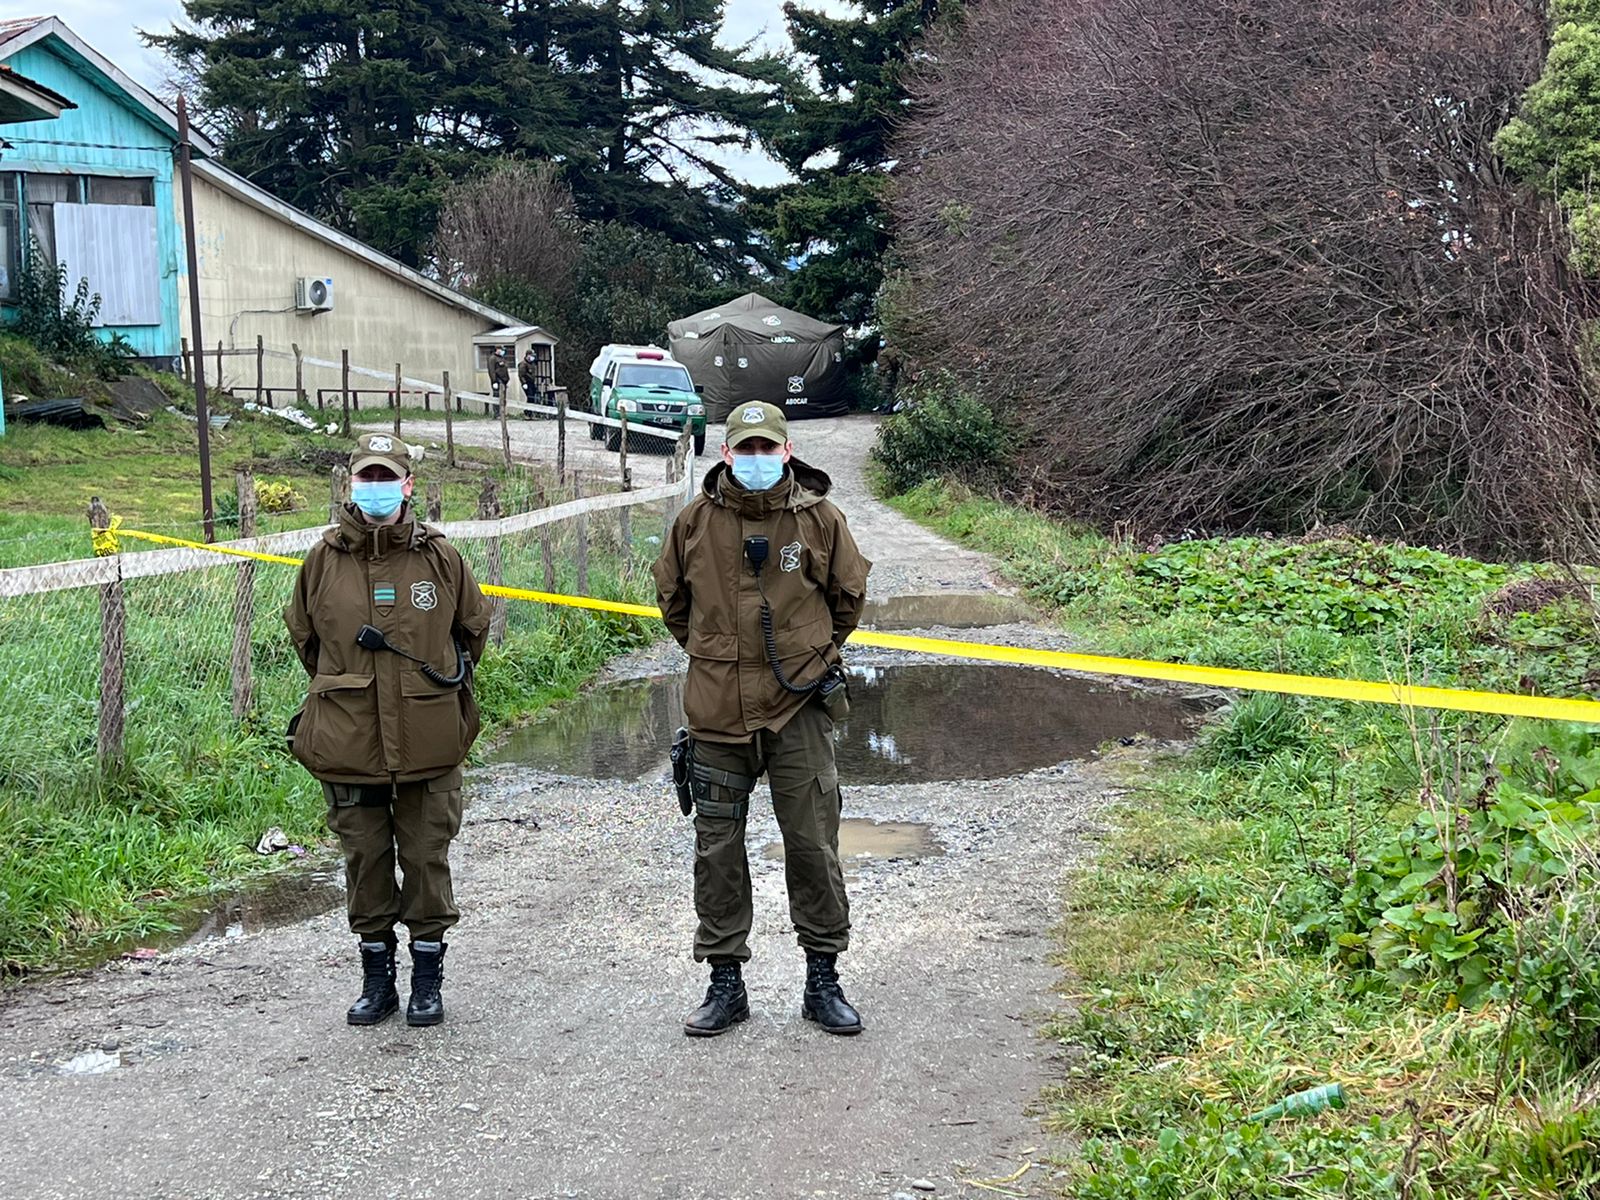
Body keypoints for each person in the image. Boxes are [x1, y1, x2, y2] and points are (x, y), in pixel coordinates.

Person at [653, 401, 872, 1037]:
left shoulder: (821, 520)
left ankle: (822, 979)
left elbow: (847, 597)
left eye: (764, 449)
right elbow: (672, 599)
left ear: (785, 450)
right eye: (743, 449)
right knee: (717, 850)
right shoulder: (694, 523)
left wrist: (810, 654)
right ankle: (725, 982)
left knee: (812, 845)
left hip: (798, 709)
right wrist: (717, 652)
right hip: (717, 716)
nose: (754, 460)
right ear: (725, 454)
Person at [285, 433, 492, 1028]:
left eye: (387, 477)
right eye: (365, 478)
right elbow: (306, 637)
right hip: (348, 739)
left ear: (408, 485)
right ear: (351, 485)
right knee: (365, 861)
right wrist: (352, 687)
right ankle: (378, 982)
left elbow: (472, 629)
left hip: (429, 738)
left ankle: (427, 982)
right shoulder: (323, 559)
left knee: (427, 860)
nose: (375, 488)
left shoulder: (440, 559)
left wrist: (426, 688)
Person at [488, 347, 510, 415]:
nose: (503, 351)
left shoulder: (502, 358)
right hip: (497, 380)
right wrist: (494, 381)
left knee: (503, 398)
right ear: (497, 349)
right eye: (501, 350)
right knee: (497, 397)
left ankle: (502, 413)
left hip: (503, 380)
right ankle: (497, 413)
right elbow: (491, 370)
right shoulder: (493, 358)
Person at [518, 349, 539, 420]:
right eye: (532, 356)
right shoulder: (523, 364)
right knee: (530, 397)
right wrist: (524, 383)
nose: (533, 357)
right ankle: (527, 413)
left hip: (531, 383)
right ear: (528, 355)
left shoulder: (532, 364)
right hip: (526, 383)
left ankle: (530, 414)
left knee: (532, 398)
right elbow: (521, 375)